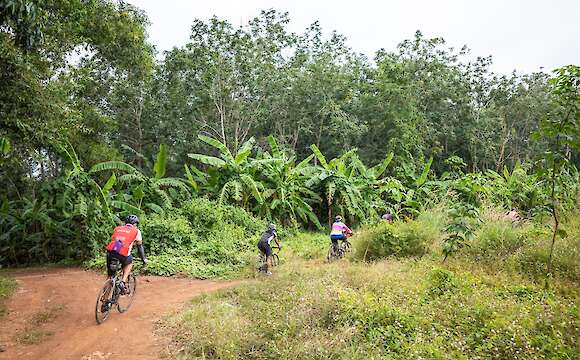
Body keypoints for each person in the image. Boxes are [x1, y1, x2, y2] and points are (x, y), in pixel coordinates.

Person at [105, 214, 147, 294]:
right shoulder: (136, 231)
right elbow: (140, 247)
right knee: (129, 262)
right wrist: (143, 259)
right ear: (135, 224)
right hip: (123, 252)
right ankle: (123, 282)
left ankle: (105, 301)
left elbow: (117, 240)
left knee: (110, 276)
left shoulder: (118, 228)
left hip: (111, 251)